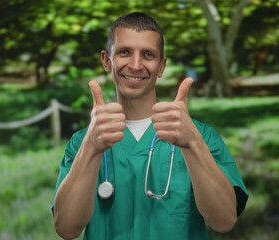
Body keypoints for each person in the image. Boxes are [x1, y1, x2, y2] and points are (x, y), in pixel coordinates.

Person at [52, 12, 248, 240]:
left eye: (148, 55)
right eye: (124, 52)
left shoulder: (201, 136)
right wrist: (90, 149)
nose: (136, 65)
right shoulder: (82, 142)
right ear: (107, 60)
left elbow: (224, 221)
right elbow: (66, 229)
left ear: (161, 66)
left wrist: (192, 143)